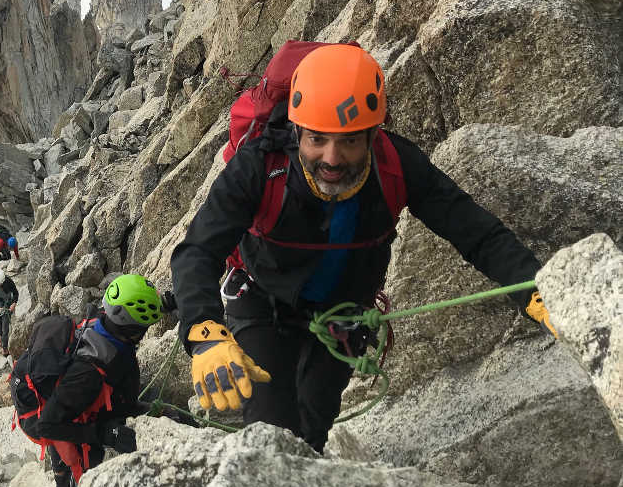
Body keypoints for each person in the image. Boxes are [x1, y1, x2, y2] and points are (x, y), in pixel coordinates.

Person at [171, 43, 555, 453]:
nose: (331, 159)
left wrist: (535, 290)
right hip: (263, 302)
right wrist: (204, 333)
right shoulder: (260, 165)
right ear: (297, 130)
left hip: (343, 317)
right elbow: (198, 251)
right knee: (271, 436)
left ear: (373, 135)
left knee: (312, 433)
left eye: (349, 142)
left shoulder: (397, 165)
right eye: (317, 139)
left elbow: (476, 233)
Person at [14, 274, 162, 487]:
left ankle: (62, 483)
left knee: (63, 409)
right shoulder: (87, 374)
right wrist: (104, 434)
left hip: (62, 402)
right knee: (87, 463)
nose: (143, 333)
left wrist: (165, 304)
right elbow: (48, 426)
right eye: (142, 328)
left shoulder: (104, 322)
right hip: (47, 418)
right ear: (129, 327)